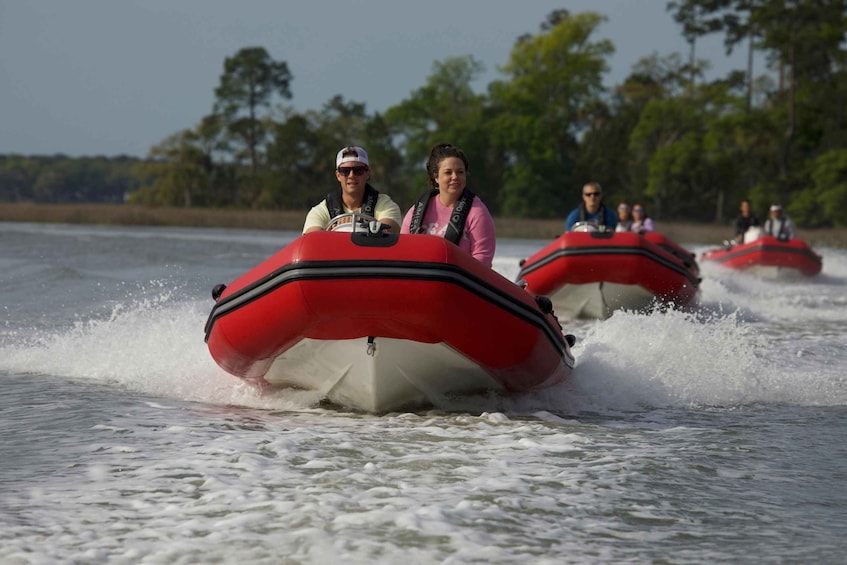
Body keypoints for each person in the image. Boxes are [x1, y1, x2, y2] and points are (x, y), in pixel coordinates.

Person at [401, 142, 496, 268]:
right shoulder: (416, 211)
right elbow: (403, 250)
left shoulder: (478, 213)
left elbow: (482, 261)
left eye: (460, 172)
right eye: (448, 172)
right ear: (436, 177)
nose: (455, 177)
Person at [302, 145, 402, 234]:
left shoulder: (386, 205)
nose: (351, 176)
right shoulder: (320, 211)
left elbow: (390, 229)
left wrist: (353, 225)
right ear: (338, 175)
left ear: (367, 173)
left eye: (358, 171)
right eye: (345, 171)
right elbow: (311, 240)